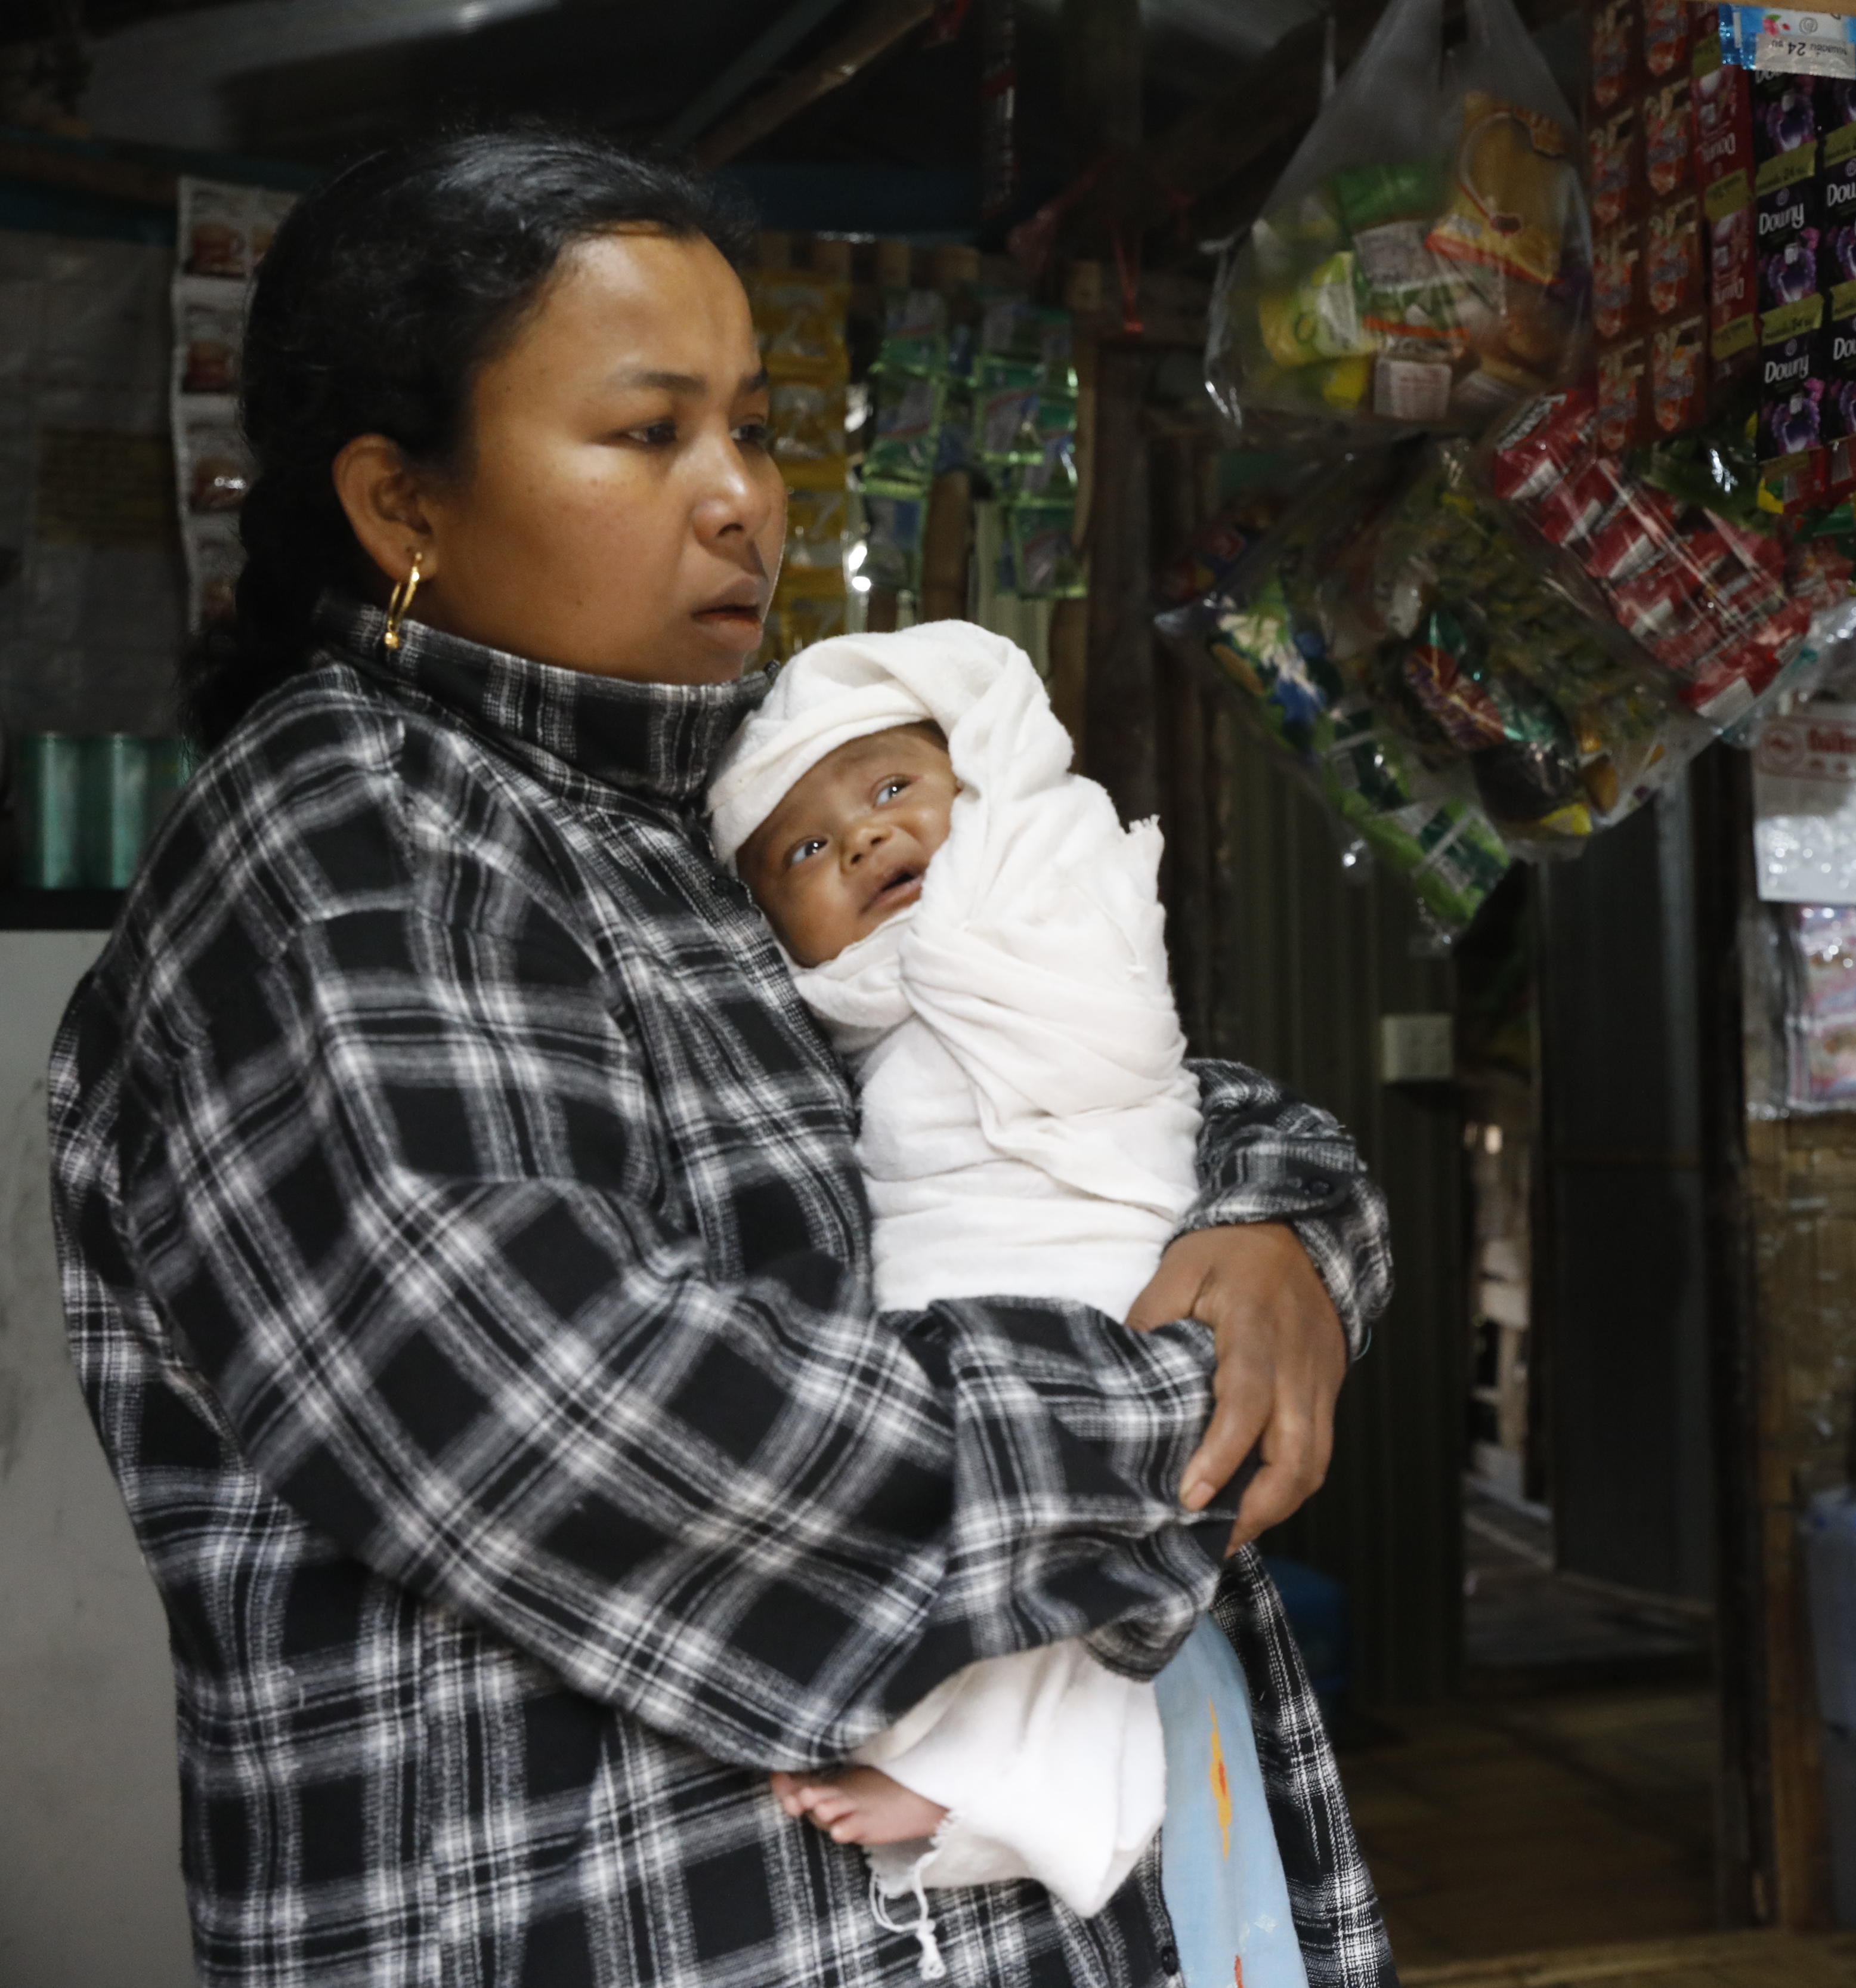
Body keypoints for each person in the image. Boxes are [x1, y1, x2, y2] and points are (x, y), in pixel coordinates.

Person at [52, 125, 1391, 1988]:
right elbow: (563, 1408)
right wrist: (1182, 1408)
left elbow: (1102, 1057)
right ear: (399, 504)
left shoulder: (728, 808)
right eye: (645, 431)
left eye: (752, 426)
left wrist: (1284, 1234)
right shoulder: (349, 848)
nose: (742, 498)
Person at [703, 622, 1300, 1986]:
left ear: (980, 783)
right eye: (803, 850)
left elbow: (1116, 1042)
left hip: (1086, 1234)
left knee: (1070, 1532)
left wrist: (962, 946)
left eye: (894, 790)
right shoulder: (828, 1007)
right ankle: (999, 1775)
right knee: (969, 1529)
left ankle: (1017, 1793)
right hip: (945, 1263)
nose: (861, 841)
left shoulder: (1046, 868)